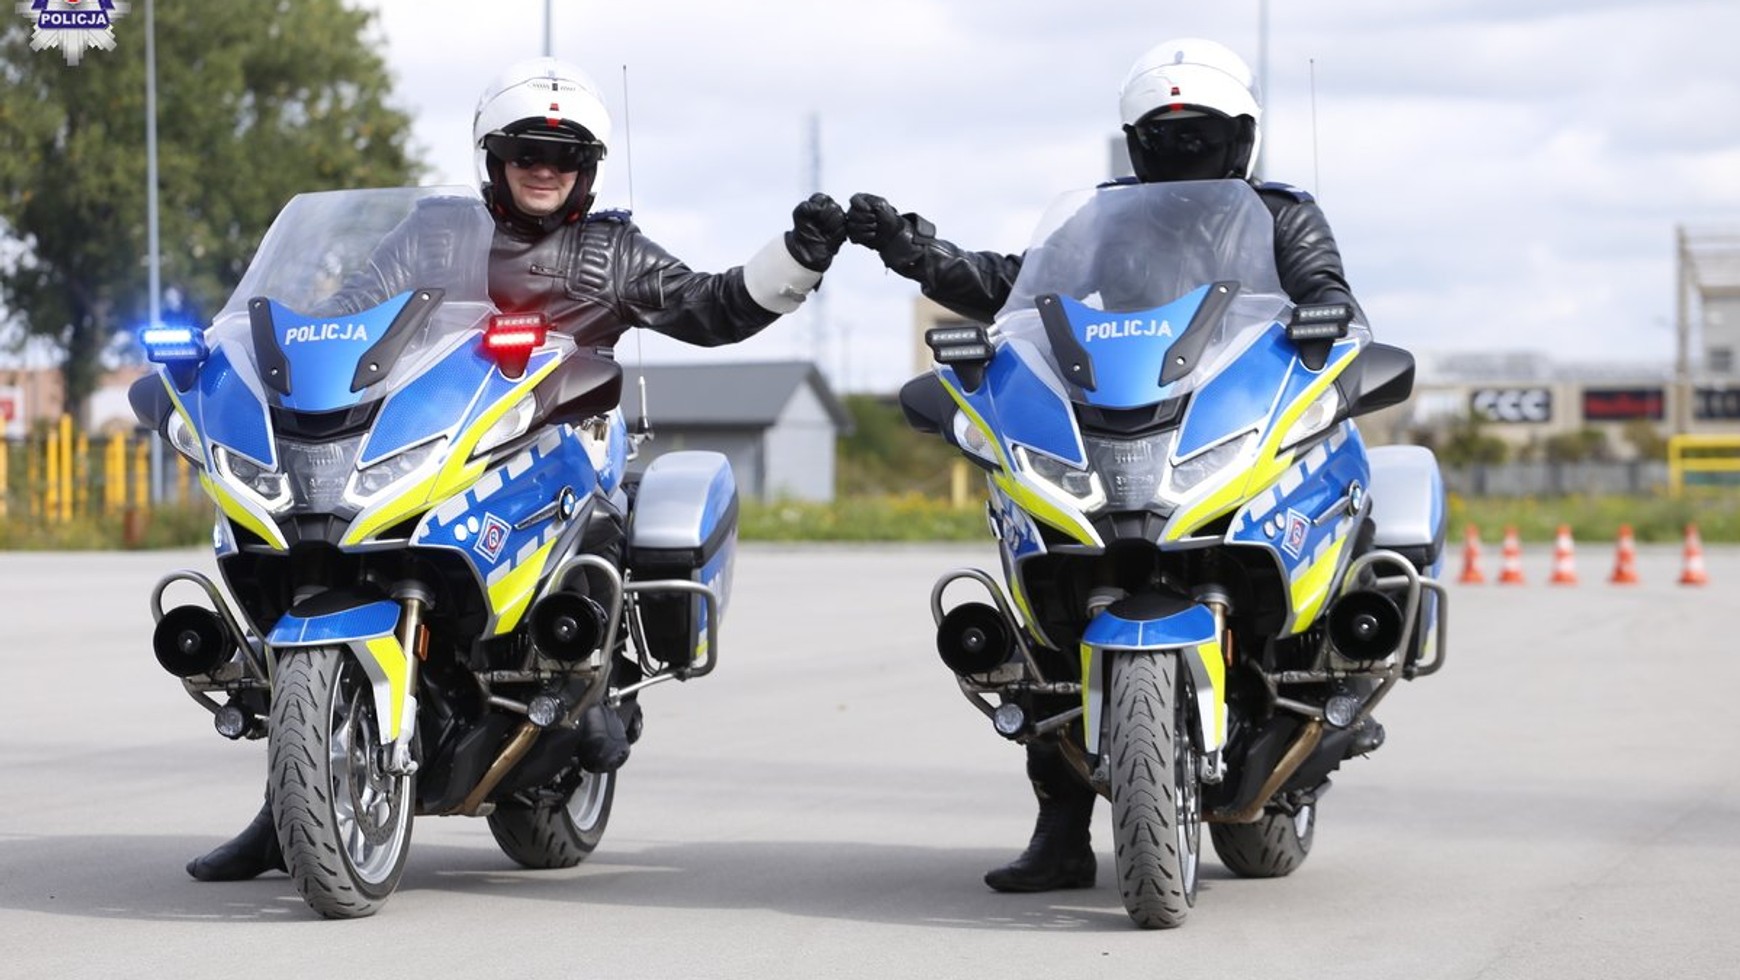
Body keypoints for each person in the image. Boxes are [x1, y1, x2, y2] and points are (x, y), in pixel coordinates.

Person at [185, 56, 846, 882]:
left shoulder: (612, 251)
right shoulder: (433, 233)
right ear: (493, 157)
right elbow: (345, 314)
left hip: (560, 437)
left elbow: (714, 307)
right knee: (305, 547)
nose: (545, 168)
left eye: (565, 156)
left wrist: (797, 257)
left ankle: (588, 687)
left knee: (588, 511)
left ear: (587, 169)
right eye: (527, 151)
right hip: (427, 438)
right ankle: (288, 802)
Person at [844, 37, 1368, 895]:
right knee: (1048, 626)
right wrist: (911, 248)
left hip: (1222, 424)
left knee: (1335, 498)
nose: (1182, 148)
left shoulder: (1281, 214)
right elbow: (1014, 287)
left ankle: (1328, 680)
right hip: (1114, 429)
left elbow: (1329, 298)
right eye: (1164, 135)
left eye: (1199, 134)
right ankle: (1060, 834)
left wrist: (1332, 329)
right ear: (1136, 143)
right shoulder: (1102, 222)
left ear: (1239, 137)